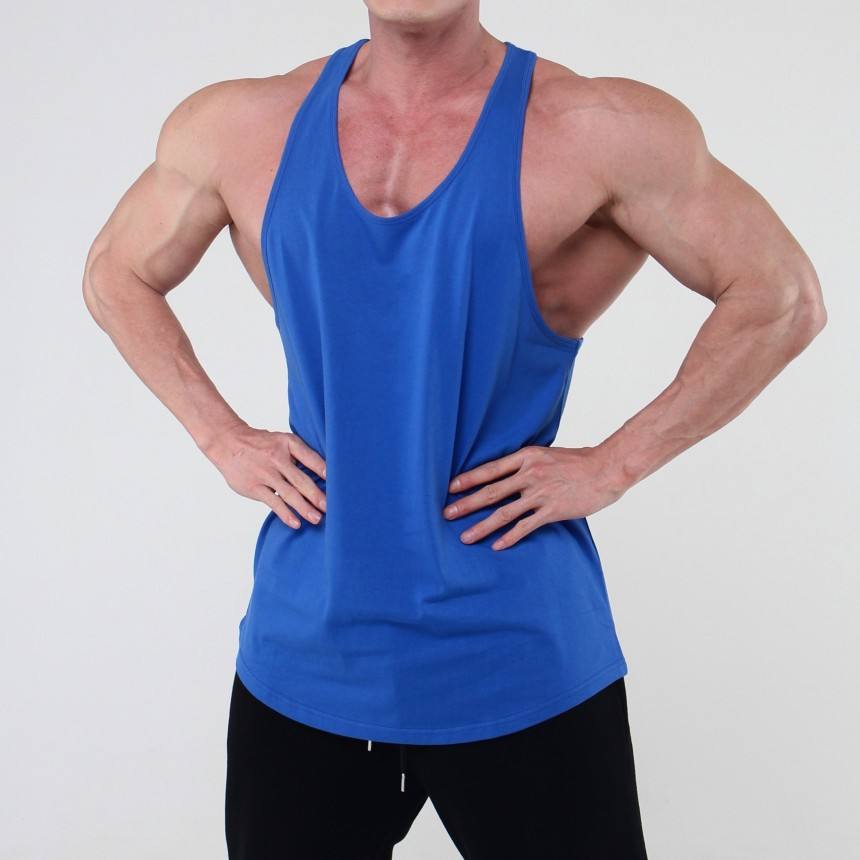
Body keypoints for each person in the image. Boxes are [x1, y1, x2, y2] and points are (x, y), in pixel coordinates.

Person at [82, 1, 826, 857]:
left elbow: (782, 297)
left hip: (518, 656)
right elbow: (115, 272)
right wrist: (220, 437)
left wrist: (615, 464)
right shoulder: (238, 125)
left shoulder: (601, 129)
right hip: (308, 655)